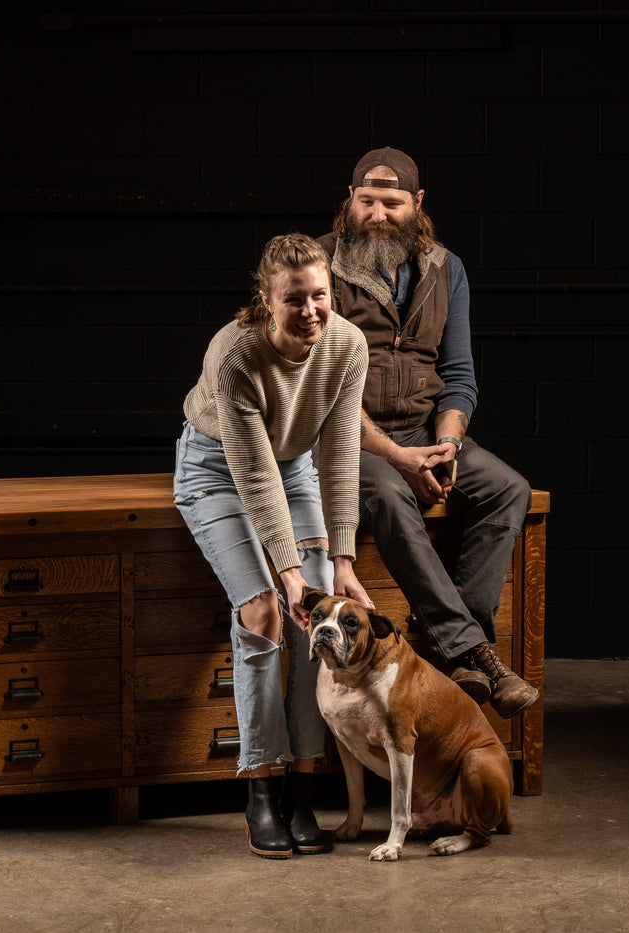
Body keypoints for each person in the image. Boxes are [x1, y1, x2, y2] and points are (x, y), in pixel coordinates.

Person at [317, 146, 539, 719]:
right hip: (345, 441)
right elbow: (322, 390)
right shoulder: (320, 264)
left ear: (416, 204)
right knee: (391, 495)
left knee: (508, 488)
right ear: (350, 200)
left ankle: (455, 657)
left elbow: (459, 376)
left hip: (424, 431)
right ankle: (472, 653)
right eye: (366, 202)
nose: (377, 215)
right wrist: (398, 457)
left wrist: (447, 444)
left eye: (391, 203)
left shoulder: (447, 267)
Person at [174, 232, 372, 859]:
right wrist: (288, 572)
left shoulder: (346, 344)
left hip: (298, 469)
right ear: (265, 300)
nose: (311, 311)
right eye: (295, 299)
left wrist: (341, 560)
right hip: (216, 470)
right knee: (264, 614)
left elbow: (340, 454)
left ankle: (302, 788)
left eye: (321, 296)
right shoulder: (232, 354)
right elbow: (253, 471)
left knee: (321, 616)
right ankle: (260, 787)